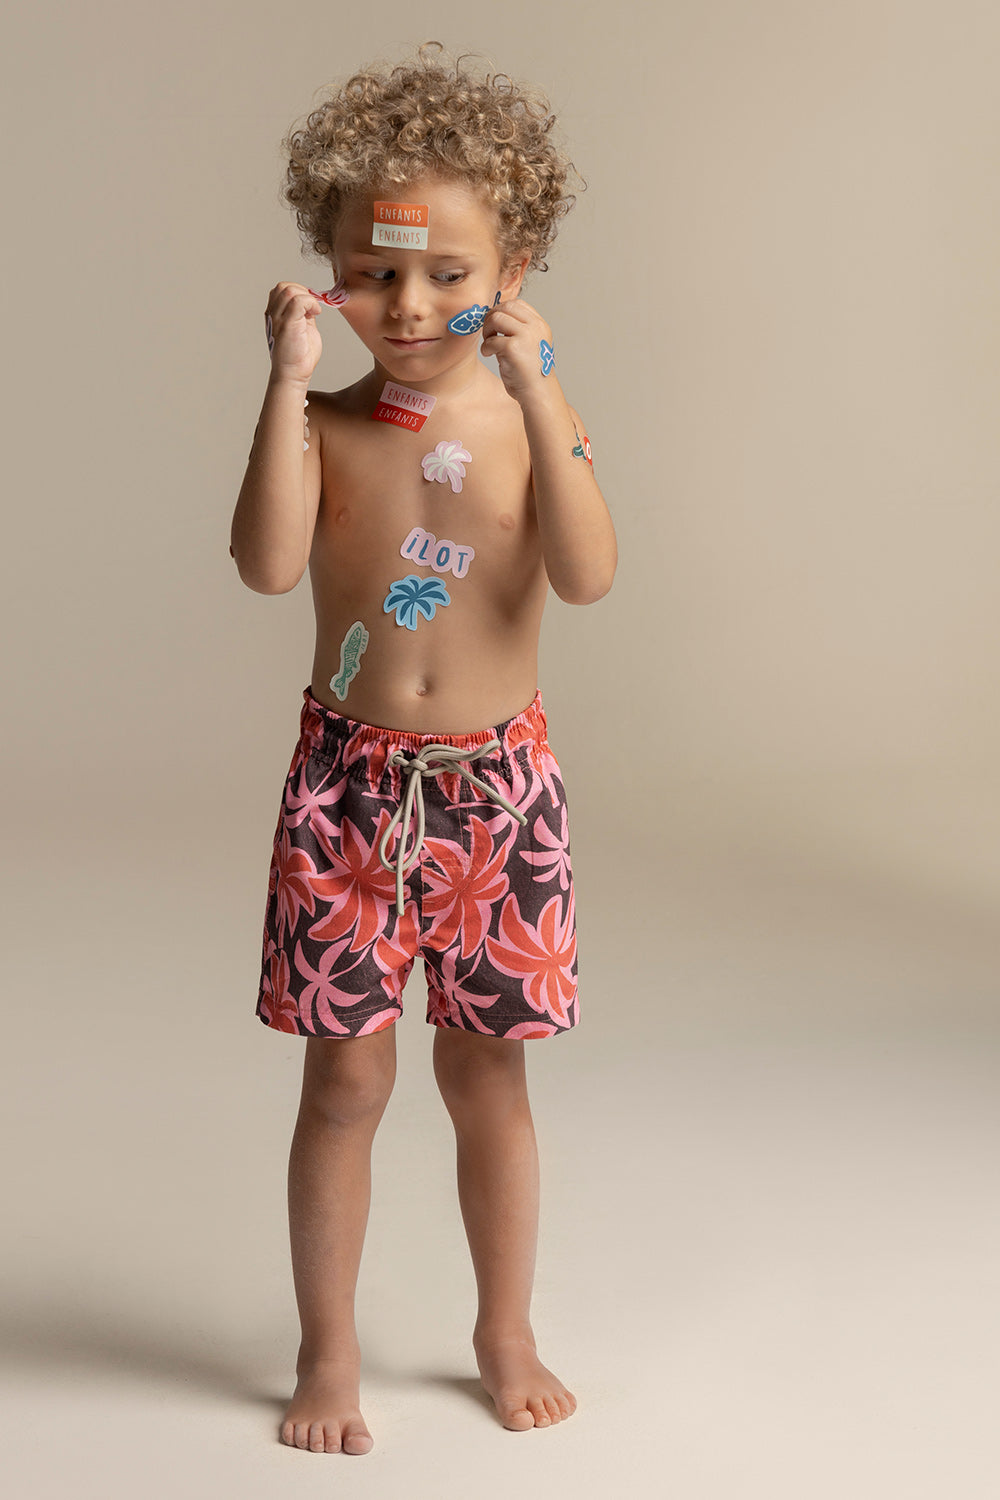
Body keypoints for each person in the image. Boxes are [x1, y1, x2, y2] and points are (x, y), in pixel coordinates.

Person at [230, 42, 617, 1456]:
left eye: (448, 273)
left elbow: (588, 575)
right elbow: (268, 565)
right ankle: (325, 1352)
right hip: (348, 788)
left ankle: (503, 1332)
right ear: (328, 273)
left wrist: (544, 394)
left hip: (495, 796)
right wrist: (285, 385)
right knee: (343, 1083)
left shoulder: (527, 425)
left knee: (486, 1078)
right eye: (372, 271)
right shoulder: (332, 424)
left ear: (514, 268)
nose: (408, 305)